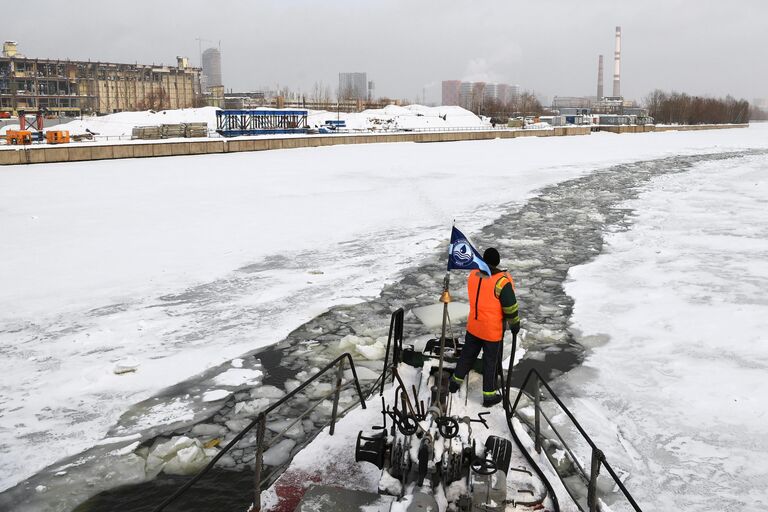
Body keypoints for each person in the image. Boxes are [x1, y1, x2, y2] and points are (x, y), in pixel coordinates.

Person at [449, 247, 520, 407]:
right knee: (490, 363)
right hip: (491, 331)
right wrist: (514, 324)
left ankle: (454, 383)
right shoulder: (501, 282)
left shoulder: (473, 274)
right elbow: (510, 307)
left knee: (467, 356)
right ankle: (489, 396)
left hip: (474, 326)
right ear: (497, 262)